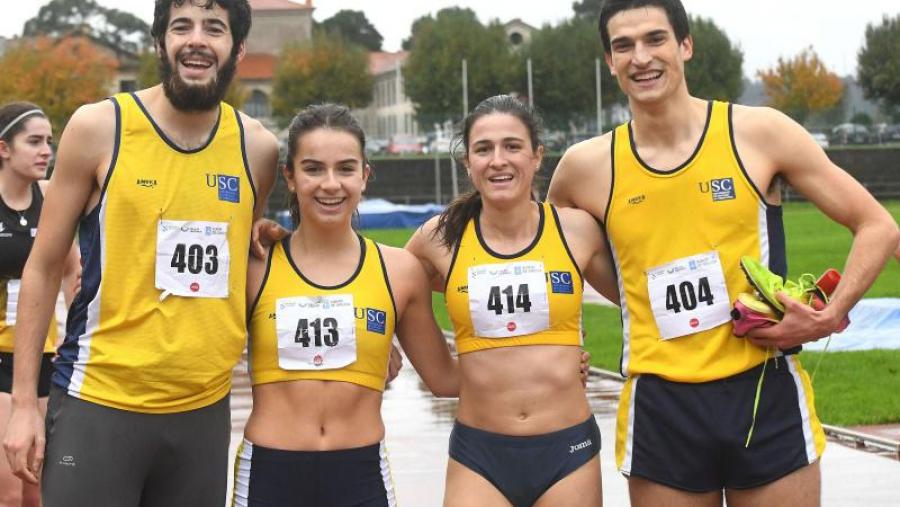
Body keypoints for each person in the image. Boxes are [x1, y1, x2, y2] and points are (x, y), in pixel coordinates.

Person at [546, 1, 900, 506]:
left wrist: (829, 316)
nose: (640, 57)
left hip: (764, 388)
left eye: (655, 39)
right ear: (609, 61)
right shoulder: (585, 167)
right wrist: (564, 346)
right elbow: (547, 257)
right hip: (661, 402)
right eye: (623, 46)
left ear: (685, 46)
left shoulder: (758, 133)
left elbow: (877, 225)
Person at [2, 1, 280, 505]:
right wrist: (24, 404)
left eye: (214, 28)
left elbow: (247, 256)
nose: (197, 39)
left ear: (237, 48)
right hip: (99, 404)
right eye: (181, 26)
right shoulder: (97, 128)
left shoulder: (257, 148)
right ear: (159, 42)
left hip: (202, 413)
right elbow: (41, 267)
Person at [233, 103, 459, 506]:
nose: (331, 184)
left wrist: (543, 356)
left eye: (346, 169)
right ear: (290, 176)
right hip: (270, 474)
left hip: (360, 477)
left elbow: (446, 380)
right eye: (314, 168)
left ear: (365, 176)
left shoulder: (399, 271)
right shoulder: (255, 265)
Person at [406, 95, 614, 507]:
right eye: (484, 149)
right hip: (479, 456)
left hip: (567, 451)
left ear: (537, 156)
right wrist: (386, 354)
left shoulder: (577, 231)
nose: (498, 160)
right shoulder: (439, 237)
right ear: (468, 162)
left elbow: (638, 298)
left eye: (512, 146)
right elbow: (382, 285)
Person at [0, 103, 80, 507]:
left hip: (42, 355)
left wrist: (77, 337)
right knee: (9, 489)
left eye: (49, 141)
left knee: (39, 487)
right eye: (34, 141)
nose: (46, 150)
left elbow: (69, 272)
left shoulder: (50, 197)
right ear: (4, 149)